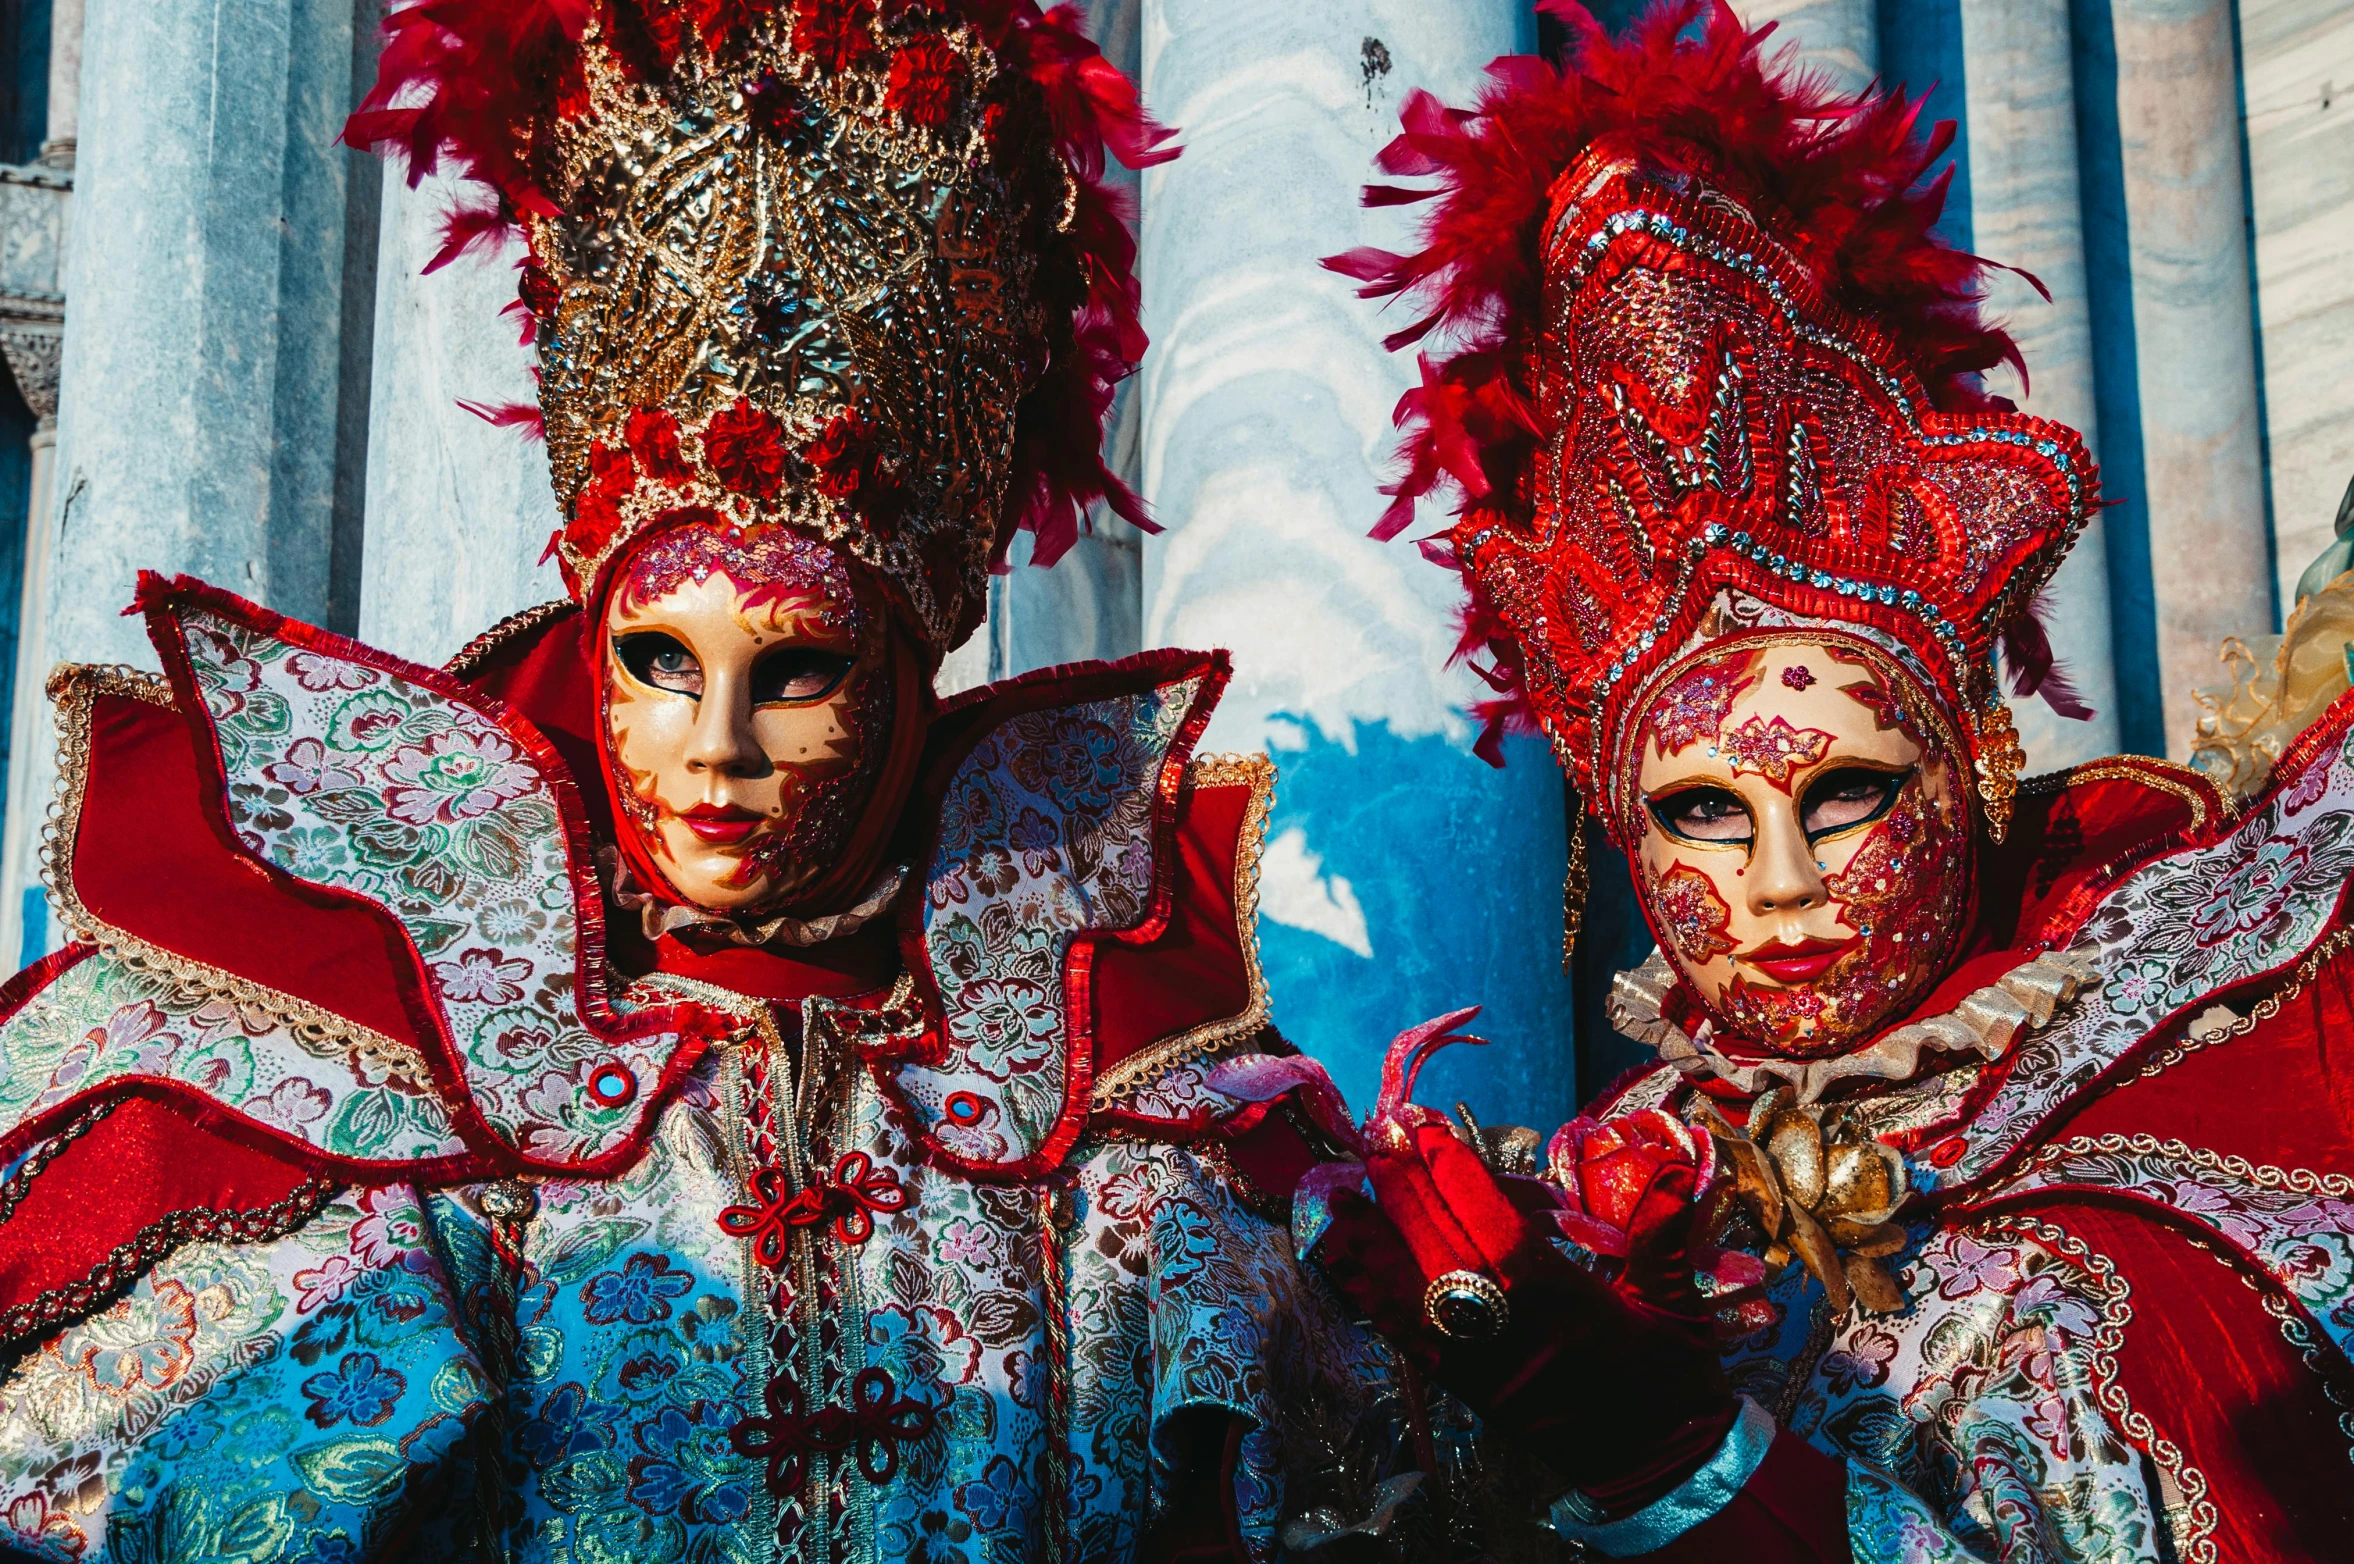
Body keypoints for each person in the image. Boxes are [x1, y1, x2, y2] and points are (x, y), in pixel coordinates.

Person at [0, 2, 1384, 1557]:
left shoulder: (1140, 1138)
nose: (717, 746)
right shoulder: (372, 1089)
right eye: (661, 661)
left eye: (797, 673)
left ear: (908, 682)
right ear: (590, 657)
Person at [1302, 2, 2354, 1558]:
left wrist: (1648, 1441)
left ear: (1969, 766)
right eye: (1700, 810)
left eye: (1845, 793)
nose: (1778, 885)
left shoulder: (2178, 1075)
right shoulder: (1601, 1184)